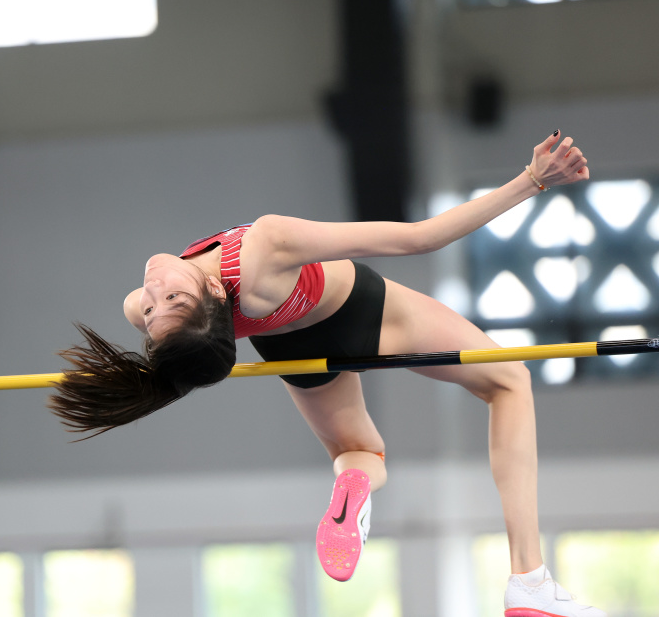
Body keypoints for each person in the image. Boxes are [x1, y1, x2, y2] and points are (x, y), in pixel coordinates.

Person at [49, 131, 604, 617]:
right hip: (364, 311)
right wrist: (532, 180)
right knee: (509, 381)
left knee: (359, 454)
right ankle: (529, 581)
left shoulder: (160, 317)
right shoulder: (264, 247)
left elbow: (185, 343)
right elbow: (419, 238)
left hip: (292, 353)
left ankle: (353, 487)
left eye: (154, 305)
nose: (147, 293)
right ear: (214, 292)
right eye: (162, 300)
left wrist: (162, 325)